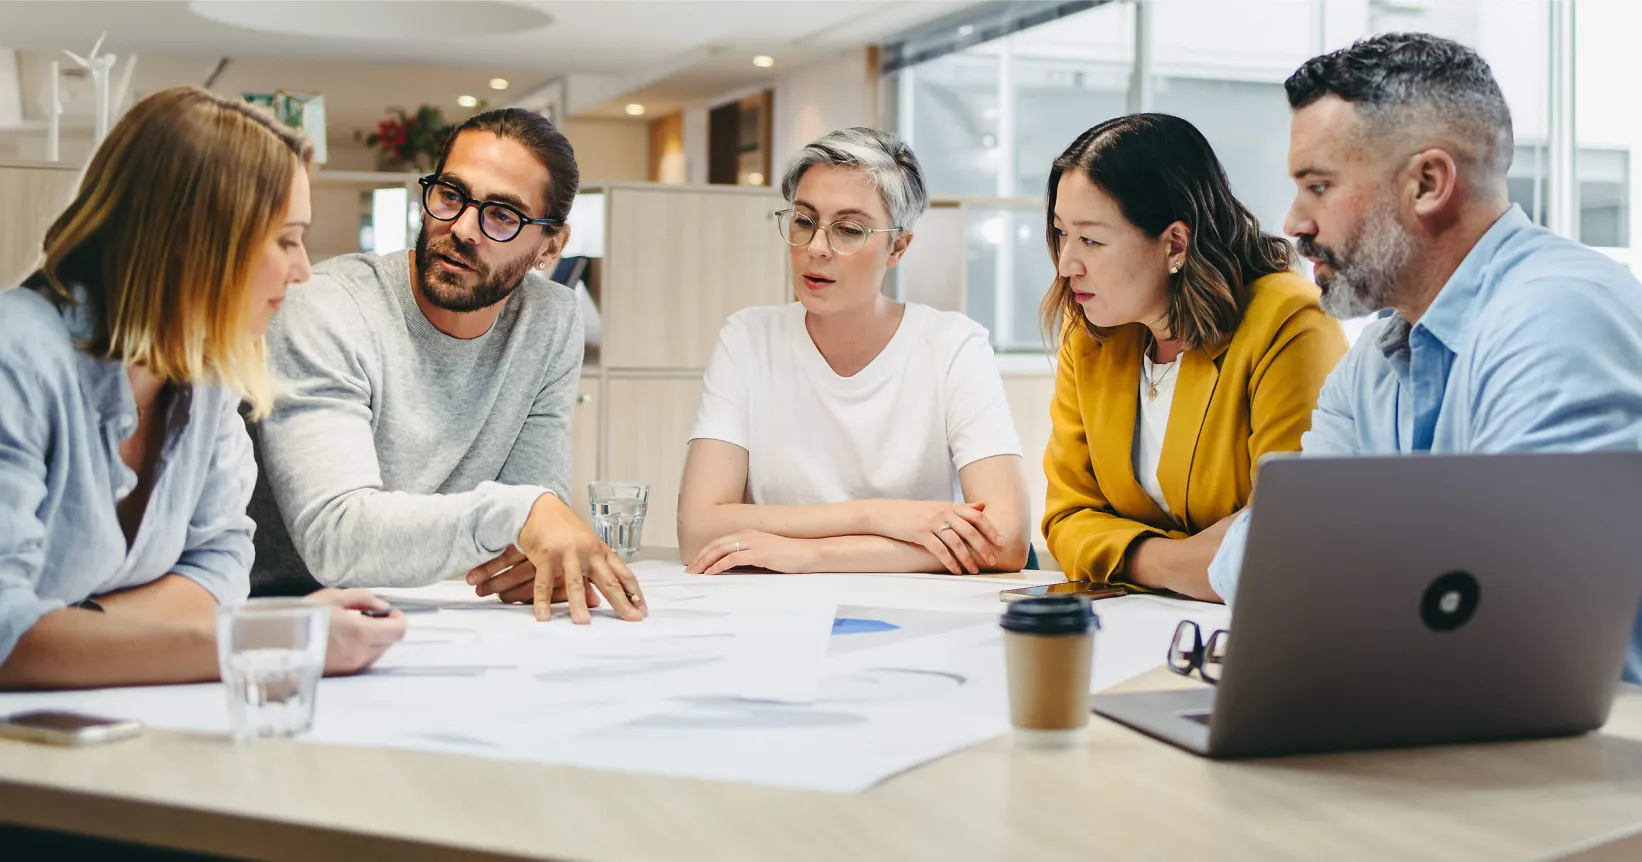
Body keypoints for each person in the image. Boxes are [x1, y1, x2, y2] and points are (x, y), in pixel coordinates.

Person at [1205, 33, 1642, 683]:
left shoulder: (1558, 316)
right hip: (1451, 724)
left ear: (1428, 183)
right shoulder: (1376, 359)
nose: (1293, 222)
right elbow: (1249, 570)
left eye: (1318, 186)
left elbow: (1511, 615)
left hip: (1586, 758)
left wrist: (1338, 541)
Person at [0, 86, 405, 689]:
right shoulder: (18, 358)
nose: (302, 271)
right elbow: (8, 641)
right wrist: (275, 637)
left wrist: (69, 631)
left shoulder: (207, 377)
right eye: (286, 239)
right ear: (197, 239)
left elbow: (220, 566)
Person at [249, 108, 645, 625]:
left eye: (503, 215)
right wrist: (520, 515)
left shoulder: (550, 320)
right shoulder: (328, 307)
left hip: (436, 619)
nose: (461, 228)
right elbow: (335, 538)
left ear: (552, 244)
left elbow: (527, 539)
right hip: (284, 619)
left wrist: (529, 535)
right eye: (451, 195)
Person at [678, 127, 1031, 576]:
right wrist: (875, 515)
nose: (817, 248)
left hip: (918, 616)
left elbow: (1006, 539)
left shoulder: (953, 345)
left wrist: (812, 555)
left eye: (848, 229)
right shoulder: (748, 338)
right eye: (804, 221)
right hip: (771, 611)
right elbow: (698, 530)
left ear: (897, 247)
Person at [1040, 115, 1347, 600]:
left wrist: (1117, 550)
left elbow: (1285, 531)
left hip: (1254, 631)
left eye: (1092, 239)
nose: (1066, 264)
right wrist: (1168, 562)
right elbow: (1066, 516)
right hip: (1135, 626)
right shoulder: (1091, 335)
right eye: (1061, 233)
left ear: (1175, 243)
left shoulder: (1290, 322)